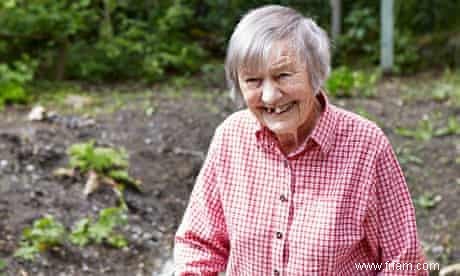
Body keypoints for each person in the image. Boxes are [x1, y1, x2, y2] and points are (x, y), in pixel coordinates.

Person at [174, 5, 427, 275]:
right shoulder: (231, 138)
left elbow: (403, 262)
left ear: (314, 72)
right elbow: (199, 246)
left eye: (283, 75)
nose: (270, 96)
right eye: (253, 81)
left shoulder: (365, 145)